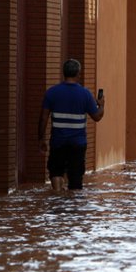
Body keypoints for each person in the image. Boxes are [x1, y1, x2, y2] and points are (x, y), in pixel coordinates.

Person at [38, 58, 105, 193]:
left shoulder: (52, 92)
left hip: (58, 141)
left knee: (56, 170)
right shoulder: (85, 94)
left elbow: (43, 117)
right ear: (78, 74)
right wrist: (102, 105)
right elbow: (97, 117)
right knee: (75, 178)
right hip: (78, 143)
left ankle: (57, 196)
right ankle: (72, 208)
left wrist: (41, 139)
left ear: (63, 73)